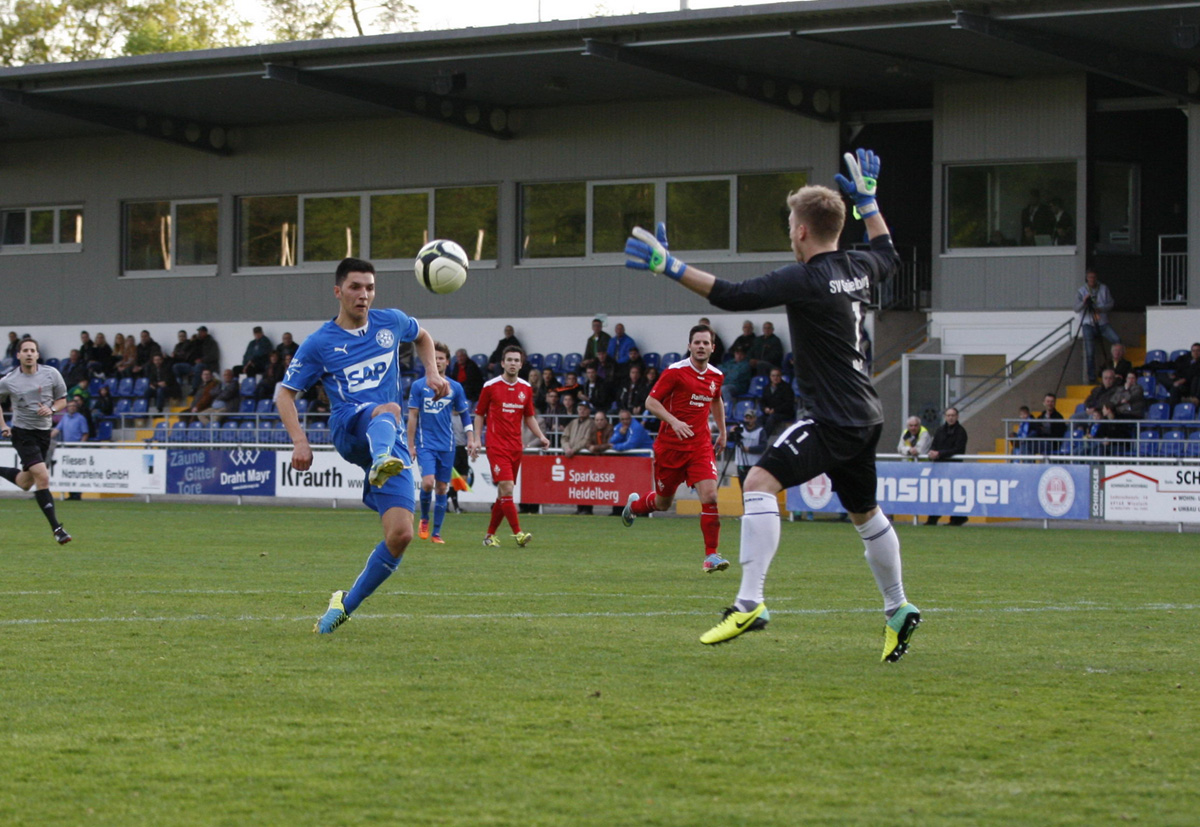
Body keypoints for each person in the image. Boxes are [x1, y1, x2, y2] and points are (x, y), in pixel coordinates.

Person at [623, 148, 920, 660]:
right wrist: (869, 202)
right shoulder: (860, 267)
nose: (789, 231)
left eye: (790, 222)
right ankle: (897, 607)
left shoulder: (806, 278)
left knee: (758, 482)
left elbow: (732, 295)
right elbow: (888, 251)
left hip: (833, 417)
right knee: (866, 515)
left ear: (802, 231)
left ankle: (749, 603)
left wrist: (670, 267)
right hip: (867, 416)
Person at [276, 256, 447, 635]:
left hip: (392, 436)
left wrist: (432, 371)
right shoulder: (320, 342)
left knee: (400, 535)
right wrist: (300, 441)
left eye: (369, 287)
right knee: (386, 409)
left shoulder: (391, 322)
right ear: (338, 292)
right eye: (355, 287)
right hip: (350, 429)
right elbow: (284, 394)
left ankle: (344, 604)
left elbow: (422, 336)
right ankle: (381, 459)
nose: (363, 294)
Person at [620, 323, 729, 574]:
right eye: (697, 342)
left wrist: (722, 432)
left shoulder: (716, 376)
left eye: (706, 343)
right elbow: (650, 401)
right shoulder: (675, 372)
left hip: (700, 446)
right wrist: (674, 421)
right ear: (689, 345)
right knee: (662, 503)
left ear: (713, 347)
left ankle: (711, 556)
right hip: (670, 448)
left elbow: (716, 399)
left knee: (710, 497)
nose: (701, 346)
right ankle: (634, 507)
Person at [471, 346, 550, 546]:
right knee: (507, 487)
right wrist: (477, 439)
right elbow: (479, 413)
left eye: (516, 360)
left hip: (516, 446)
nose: (513, 363)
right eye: (509, 360)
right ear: (503, 363)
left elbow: (529, 416)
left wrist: (541, 436)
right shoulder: (490, 386)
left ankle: (489, 536)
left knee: (503, 493)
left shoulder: (526, 388)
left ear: (521, 364)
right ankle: (519, 534)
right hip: (496, 446)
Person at [0, 339, 73, 544]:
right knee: (42, 476)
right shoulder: (9, 380)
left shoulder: (51, 374)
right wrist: (4, 426)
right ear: (18, 355)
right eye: (25, 351)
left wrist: (51, 409)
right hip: (22, 433)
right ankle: (57, 529)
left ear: (38, 355)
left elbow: (62, 400)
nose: (29, 354)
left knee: (25, 482)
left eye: (33, 350)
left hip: (43, 433)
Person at [407, 341, 474, 544]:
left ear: (447, 361)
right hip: (426, 444)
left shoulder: (455, 387)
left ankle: (437, 533)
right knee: (428, 483)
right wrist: (410, 445)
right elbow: (412, 416)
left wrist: (471, 438)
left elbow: (465, 415)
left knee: (443, 488)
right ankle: (425, 519)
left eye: (441, 358)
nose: (437, 361)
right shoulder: (419, 386)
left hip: (447, 445)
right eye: (434, 358)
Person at [1075, 269, 1119, 383]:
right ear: (1087, 278)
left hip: (1102, 322)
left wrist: (1101, 309)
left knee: (1117, 340)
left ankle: (1115, 368)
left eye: (1094, 277)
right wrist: (1084, 302)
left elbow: (1110, 304)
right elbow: (1076, 308)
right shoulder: (1081, 291)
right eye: (1089, 277)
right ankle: (1092, 378)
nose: (1092, 280)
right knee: (1090, 352)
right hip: (1088, 323)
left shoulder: (1103, 288)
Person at [926, 407, 968, 526]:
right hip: (939, 467)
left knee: (954, 494)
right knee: (937, 493)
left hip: (954, 468)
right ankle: (932, 519)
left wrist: (940, 454)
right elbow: (934, 445)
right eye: (948, 415)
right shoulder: (940, 430)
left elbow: (958, 449)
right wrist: (932, 454)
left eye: (953, 415)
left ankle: (957, 518)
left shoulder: (961, 432)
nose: (950, 417)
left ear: (957, 416)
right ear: (945, 416)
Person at [732, 408, 766, 492]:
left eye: (750, 418)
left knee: (753, 487)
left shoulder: (760, 431)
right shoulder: (739, 429)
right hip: (741, 462)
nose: (748, 420)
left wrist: (749, 449)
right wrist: (731, 432)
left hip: (754, 463)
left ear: (754, 419)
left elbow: (763, 447)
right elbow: (730, 440)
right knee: (743, 487)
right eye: (746, 418)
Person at [759, 367, 796, 436]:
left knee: (771, 418)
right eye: (773, 376)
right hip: (770, 412)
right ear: (770, 377)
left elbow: (789, 404)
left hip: (784, 413)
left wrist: (775, 410)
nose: (775, 378)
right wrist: (764, 408)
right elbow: (762, 401)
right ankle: (757, 439)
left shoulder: (787, 388)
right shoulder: (767, 387)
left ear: (781, 376)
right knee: (759, 419)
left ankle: (764, 439)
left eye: (777, 376)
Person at [1166, 343, 1200, 407]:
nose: (1195, 353)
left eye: (1198, 350)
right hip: (1182, 384)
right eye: (1193, 351)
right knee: (1173, 387)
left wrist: (1184, 379)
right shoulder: (1186, 360)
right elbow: (1179, 370)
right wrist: (1175, 375)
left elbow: (1194, 374)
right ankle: (1171, 414)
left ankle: (1195, 399)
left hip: (1191, 386)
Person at [719, 346, 752, 411]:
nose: (739, 356)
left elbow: (735, 376)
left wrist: (726, 373)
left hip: (739, 386)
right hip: (728, 384)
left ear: (744, 355)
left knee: (725, 389)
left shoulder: (746, 365)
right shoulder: (730, 362)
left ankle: (729, 410)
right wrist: (729, 371)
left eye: (741, 354)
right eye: (737, 354)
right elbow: (719, 369)